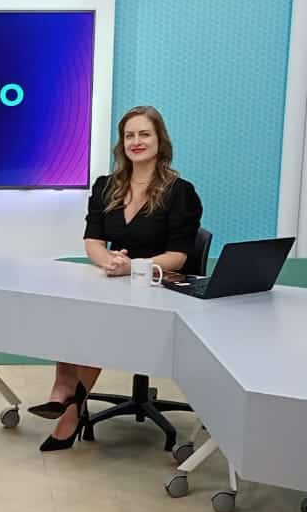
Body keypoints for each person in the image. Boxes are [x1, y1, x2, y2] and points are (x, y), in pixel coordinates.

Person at [28, 106, 202, 451]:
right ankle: (64, 389)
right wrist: (108, 261)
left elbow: (179, 256)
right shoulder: (106, 186)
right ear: (121, 144)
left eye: (144, 134)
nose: (136, 142)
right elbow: (93, 240)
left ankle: (71, 410)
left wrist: (133, 266)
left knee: (97, 320)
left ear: (159, 140)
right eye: (129, 136)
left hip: (156, 287)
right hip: (115, 281)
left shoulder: (180, 192)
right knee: (73, 305)